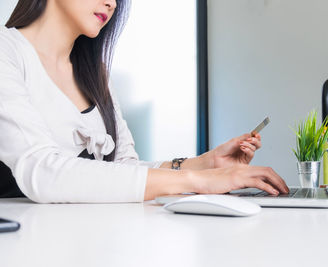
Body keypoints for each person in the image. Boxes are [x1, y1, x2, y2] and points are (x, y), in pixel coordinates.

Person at [0, 0, 289, 203]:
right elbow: (43, 172)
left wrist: (204, 164)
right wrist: (200, 181)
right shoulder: (7, 51)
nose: (112, 4)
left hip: (88, 239)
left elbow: (124, 169)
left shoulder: (95, 73)